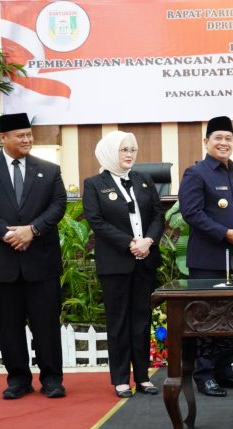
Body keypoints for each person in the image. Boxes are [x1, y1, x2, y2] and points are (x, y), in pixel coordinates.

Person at [0, 113, 67, 399]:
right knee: (9, 325)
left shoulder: (49, 170)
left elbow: (58, 204)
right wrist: (7, 234)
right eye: (20, 135)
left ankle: (52, 379)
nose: (27, 140)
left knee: (46, 324)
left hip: (41, 260)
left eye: (29, 135)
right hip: (1, 260)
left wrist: (32, 230)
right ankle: (18, 380)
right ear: (3, 138)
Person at [178, 115, 233, 397]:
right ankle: (204, 374)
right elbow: (191, 213)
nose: (224, 143)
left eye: (228, 138)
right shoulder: (196, 173)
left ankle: (225, 370)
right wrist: (224, 233)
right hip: (208, 261)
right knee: (208, 318)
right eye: (218, 138)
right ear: (206, 142)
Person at [82, 131, 164, 398]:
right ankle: (120, 379)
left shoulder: (144, 180)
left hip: (145, 260)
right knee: (118, 322)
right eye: (123, 149)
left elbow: (158, 215)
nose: (129, 154)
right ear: (109, 152)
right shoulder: (94, 184)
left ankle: (143, 377)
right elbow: (97, 222)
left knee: (141, 319)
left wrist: (148, 241)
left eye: (132, 149)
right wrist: (130, 243)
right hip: (116, 263)